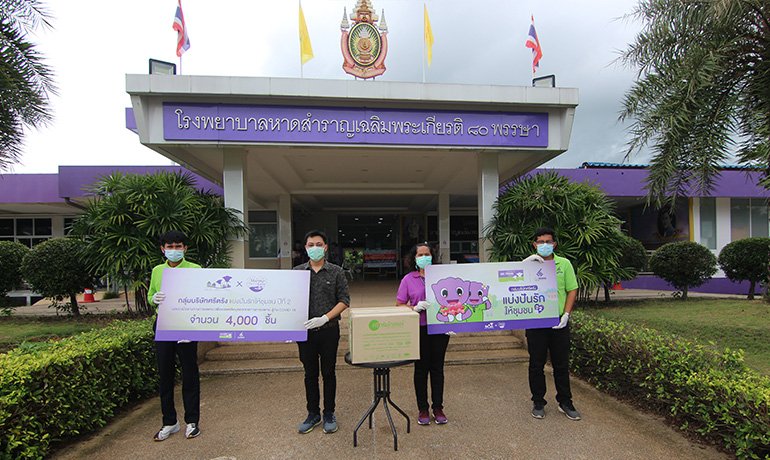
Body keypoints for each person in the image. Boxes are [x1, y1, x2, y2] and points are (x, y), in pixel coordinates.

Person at [146, 230, 202, 441]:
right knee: (165, 375)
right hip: (163, 325)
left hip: (186, 325)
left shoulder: (195, 270)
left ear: (185, 248)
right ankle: (169, 421)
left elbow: (203, 296)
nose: (174, 250)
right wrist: (154, 299)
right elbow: (150, 294)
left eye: (178, 246)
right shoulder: (157, 270)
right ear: (163, 249)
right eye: (170, 247)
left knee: (189, 373)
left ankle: (192, 421)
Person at [293, 230, 350, 434]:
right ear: (305, 248)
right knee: (310, 374)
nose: (314, 248)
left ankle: (329, 413)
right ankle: (312, 413)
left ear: (325, 247)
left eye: (318, 244)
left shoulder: (336, 272)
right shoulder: (297, 272)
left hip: (328, 330)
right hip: (305, 333)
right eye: (311, 245)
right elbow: (288, 300)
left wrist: (326, 317)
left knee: (328, 373)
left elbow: (344, 300)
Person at [522, 227, 581, 421]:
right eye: (540, 242)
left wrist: (566, 314)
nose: (544, 245)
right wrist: (524, 265)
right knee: (536, 364)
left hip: (558, 322)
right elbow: (514, 285)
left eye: (548, 242)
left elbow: (572, 289)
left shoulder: (564, 264)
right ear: (534, 245)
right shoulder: (529, 265)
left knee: (561, 364)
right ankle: (538, 402)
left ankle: (565, 402)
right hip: (536, 321)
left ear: (554, 244)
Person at [396, 242, 451, 426]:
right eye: (420, 255)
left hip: (440, 328)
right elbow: (399, 305)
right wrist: (414, 308)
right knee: (421, 369)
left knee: (437, 369)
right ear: (414, 258)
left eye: (427, 254)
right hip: (419, 328)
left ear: (432, 256)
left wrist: (454, 322)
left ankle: (438, 407)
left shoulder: (442, 276)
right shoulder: (408, 279)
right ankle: (423, 409)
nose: (424, 257)